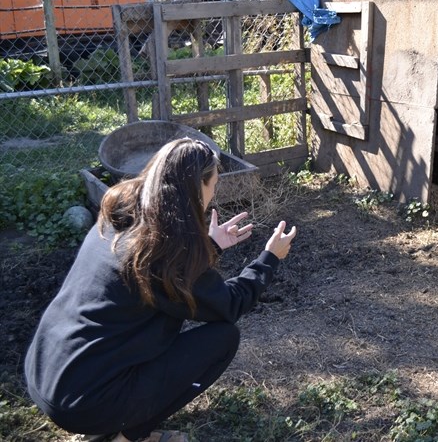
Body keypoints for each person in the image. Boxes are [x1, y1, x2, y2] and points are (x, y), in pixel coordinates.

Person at [24, 138, 297, 442]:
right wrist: (270, 258)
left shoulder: (119, 216)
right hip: (83, 404)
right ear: (197, 188)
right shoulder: (163, 252)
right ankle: (127, 437)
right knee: (222, 339)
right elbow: (229, 304)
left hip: (46, 374)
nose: (214, 195)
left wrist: (211, 245)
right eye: (213, 185)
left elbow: (168, 281)